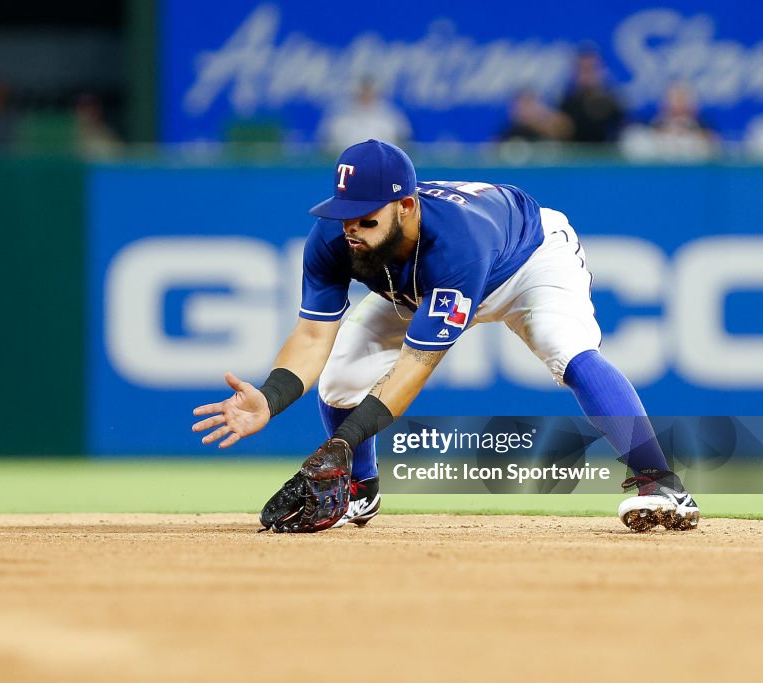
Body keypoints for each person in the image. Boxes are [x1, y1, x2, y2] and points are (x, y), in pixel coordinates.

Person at [192, 139, 699, 534]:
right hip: (414, 287)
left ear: (407, 206)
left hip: (526, 263)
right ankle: (359, 490)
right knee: (339, 377)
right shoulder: (335, 236)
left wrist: (339, 443)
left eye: (367, 218)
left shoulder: (457, 242)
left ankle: (661, 484)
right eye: (345, 214)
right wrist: (271, 397)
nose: (351, 229)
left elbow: (416, 365)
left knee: (564, 347)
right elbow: (311, 337)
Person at [316, 77, 412, 154]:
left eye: (370, 92)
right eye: (362, 92)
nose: (366, 95)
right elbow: (326, 148)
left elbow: (403, 145)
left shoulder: (392, 118)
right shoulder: (338, 118)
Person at [558, 46, 625, 144]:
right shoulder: (566, 103)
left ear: (601, 71)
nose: (586, 75)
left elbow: (623, 133)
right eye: (582, 69)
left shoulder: (614, 102)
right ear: (574, 72)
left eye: (591, 69)